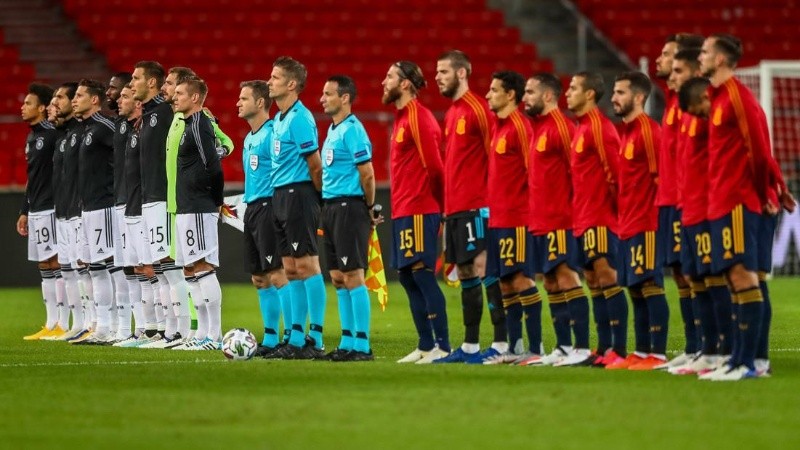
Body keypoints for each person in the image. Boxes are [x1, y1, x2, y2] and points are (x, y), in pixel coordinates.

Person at [697, 34, 796, 380]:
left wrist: (769, 190)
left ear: (721, 59)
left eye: (706, 52)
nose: (701, 57)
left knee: (743, 276)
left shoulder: (739, 98)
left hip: (739, 201)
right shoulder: (718, 99)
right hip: (721, 202)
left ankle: (748, 363)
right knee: (732, 278)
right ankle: (738, 359)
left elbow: (759, 150)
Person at [431, 50, 508, 364]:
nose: (438, 77)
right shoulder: (452, 113)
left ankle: (502, 342)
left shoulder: (478, 109)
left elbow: (496, 157)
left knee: (483, 268)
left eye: (444, 71)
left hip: (478, 206)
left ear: (461, 73)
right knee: (465, 271)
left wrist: (492, 203)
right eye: (437, 72)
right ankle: (471, 346)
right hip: (457, 209)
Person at [382, 60, 450, 364]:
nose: (384, 82)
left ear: (406, 83)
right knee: (408, 277)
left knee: (422, 275)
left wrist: (439, 206)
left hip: (421, 209)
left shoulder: (420, 118)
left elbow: (435, 166)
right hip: (404, 210)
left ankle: (442, 345)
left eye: (390, 77)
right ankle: (424, 345)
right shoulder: (401, 118)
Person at [522, 73, 592, 366]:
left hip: (561, 220)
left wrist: (573, 215)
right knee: (550, 282)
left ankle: (582, 347)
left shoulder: (563, 128)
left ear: (548, 96)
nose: (524, 98)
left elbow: (577, 173)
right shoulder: (538, 129)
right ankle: (563, 347)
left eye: (529, 92)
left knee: (566, 277)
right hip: (539, 220)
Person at [163, 66, 234, 349]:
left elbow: (213, 167)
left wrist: (216, 201)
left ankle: (213, 334)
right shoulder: (186, 124)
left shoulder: (200, 124)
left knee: (204, 267)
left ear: (194, 97)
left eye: (179, 93)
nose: (174, 97)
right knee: (190, 269)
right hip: (185, 206)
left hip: (199, 207)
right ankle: (199, 333)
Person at [265, 56, 328, 359]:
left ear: (291, 84)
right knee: (290, 268)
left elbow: (315, 166)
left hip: (299, 194)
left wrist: (320, 199)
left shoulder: (301, 118)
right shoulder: (279, 119)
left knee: (306, 264)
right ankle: (295, 335)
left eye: (275, 77)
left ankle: (314, 337)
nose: (269, 82)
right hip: (280, 195)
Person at [607, 71, 669, 370]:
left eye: (620, 92)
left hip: (647, 222)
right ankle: (642, 352)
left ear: (639, 97)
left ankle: (657, 353)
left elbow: (662, 179)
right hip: (627, 224)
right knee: (634, 288)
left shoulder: (649, 131)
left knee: (650, 285)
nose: (614, 98)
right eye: (614, 93)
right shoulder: (626, 133)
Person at [562, 71, 623, 367]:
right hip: (582, 217)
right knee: (594, 282)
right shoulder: (580, 128)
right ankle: (603, 348)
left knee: (608, 277)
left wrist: (613, 213)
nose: (567, 93)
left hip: (600, 217)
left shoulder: (600, 127)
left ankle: (619, 349)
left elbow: (616, 175)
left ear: (589, 94)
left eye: (573, 88)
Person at [483, 70, 543, 364]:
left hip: (518, 219)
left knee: (520, 280)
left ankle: (536, 347)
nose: (487, 95)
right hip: (497, 220)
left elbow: (534, 173)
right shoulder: (498, 127)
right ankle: (515, 347)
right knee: (505, 283)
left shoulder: (521, 126)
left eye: (493, 90)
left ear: (510, 95)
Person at [653, 33, 704, 367]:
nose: (662, 61)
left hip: (692, 200)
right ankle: (694, 345)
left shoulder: (694, 106)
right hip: (671, 200)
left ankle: (709, 346)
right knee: (683, 273)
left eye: (668, 55)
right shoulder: (672, 104)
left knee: (700, 273)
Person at [318, 75, 377, 362]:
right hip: (330, 207)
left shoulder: (353, 130)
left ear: (344, 98)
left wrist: (369, 206)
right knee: (338, 277)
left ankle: (362, 346)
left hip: (349, 207)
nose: (322, 98)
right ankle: (347, 341)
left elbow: (367, 173)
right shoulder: (332, 130)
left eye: (328, 94)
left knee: (353, 274)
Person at [668, 76, 723, 375]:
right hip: (685, 206)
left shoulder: (720, 109)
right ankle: (703, 349)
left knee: (725, 276)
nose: (669, 71)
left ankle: (726, 352)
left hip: (710, 207)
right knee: (691, 275)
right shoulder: (684, 112)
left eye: (675, 65)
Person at [235, 80, 291, 356]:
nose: (238, 102)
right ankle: (270, 337)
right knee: (259, 277)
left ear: (260, 103)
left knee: (277, 273)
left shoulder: (272, 134)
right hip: (252, 210)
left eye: (244, 98)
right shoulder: (248, 139)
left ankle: (292, 334)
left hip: (269, 208)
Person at [131, 61, 180, 346]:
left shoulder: (164, 112)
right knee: (159, 268)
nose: (133, 82)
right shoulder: (148, 115)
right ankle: (165, 330)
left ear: (151, 83)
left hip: (162, 197)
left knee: (168, 266)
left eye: (137, 78)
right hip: (148, 199)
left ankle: (176, 330)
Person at [71, 79, 117, 345]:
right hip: (87, 208)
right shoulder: (84, 130)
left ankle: (114, 327)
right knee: (95, 268)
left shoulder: (104, 127)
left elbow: (123, 156)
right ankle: (101, 326)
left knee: (108, 267)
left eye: (79, 95)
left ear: (95, 100)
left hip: (104, 205)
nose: (75, 100)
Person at [18, 83, 61, 340]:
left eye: (28, 103)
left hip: (53, 207)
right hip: (37, 209)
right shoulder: (32, 136)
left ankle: (63, 323)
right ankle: (51, 322)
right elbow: (32, 178)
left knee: (56, 263)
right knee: (45, 265)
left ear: (42, 108)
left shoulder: (53, 134)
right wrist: (25, 209)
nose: (22, 108)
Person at [47, 90, 84, 341]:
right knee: (70, 269)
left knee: (91, 268)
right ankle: (78, 323)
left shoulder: (83, 132)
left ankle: (99, 323)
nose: (54, 104)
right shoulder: (64, 136)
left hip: (83, 209)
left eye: (59, 98)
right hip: (64, 210)